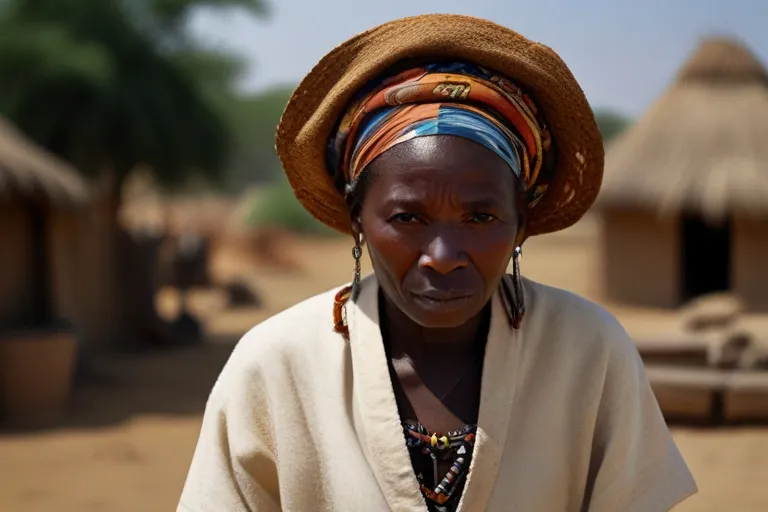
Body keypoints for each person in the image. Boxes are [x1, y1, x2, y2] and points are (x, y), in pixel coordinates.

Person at [178, 14, 697, 512]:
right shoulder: (276, 365)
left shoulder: (588, 351)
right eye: (407, 218)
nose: (443, 257)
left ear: (521, 223)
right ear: (358, 219)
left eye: (480, 218)